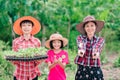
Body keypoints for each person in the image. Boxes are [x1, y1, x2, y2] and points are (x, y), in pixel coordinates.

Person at [74, 15, 105, 80]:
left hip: (95, 67)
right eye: (87, 26)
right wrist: (81, 51)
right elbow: (81, 45)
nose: (90, 28)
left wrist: (96, 53)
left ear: (95, 27)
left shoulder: (100, 40)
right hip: (83, 68)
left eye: (92, 25)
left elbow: (97, 46)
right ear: (84, 28)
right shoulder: (80, 38)